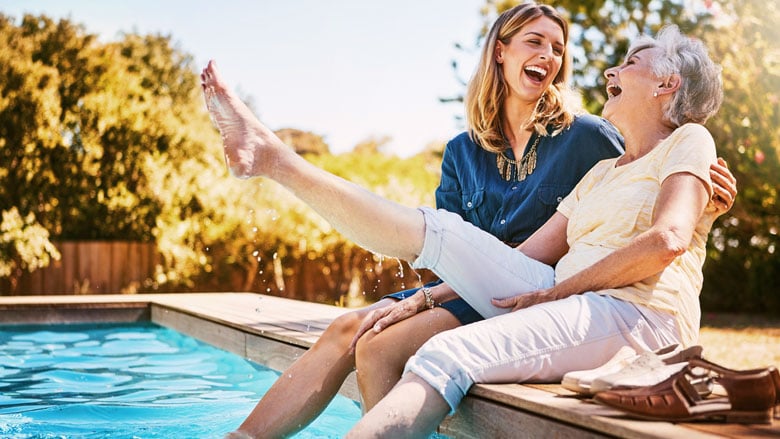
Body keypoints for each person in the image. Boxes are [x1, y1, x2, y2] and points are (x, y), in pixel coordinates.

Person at [203, 19, 729, 438]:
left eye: (630, 62)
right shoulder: (593, 171)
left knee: (428, 348)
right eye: (534, 41)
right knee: (440, 232)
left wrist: (557, 293)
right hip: (548, 291)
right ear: (499, 52)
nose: (611, 69)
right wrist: (426, 296)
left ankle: (273, 158)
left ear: (667, 84)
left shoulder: (661, 140)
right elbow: (530, 253)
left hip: (620, 308)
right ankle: (274, 160)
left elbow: (668, 234)